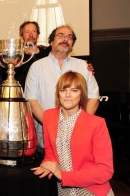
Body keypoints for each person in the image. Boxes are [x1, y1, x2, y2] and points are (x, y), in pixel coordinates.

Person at [32, 71, 115, 196]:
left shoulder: (97, 124)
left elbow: (105, 170)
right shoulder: (49, 116)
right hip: (64, 193)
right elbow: (50, 151)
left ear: (82, 94)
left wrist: (63, 175)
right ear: (58, 93)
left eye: (74, 90)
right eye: (63, 89)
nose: (68, 95)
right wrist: (49, 164)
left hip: (94, 194)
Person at [24, 25, 100, 157]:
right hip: (45, 139)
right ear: (51, 41)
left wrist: (80, 123)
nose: (65, 39)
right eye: (60, 35)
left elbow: (94, 97)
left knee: (76, 177)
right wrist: (51, 125)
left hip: (78, 139)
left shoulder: (83, 66)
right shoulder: (36, 67)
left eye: (69, 37)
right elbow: (31, 100)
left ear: (72, 44)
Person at [15, 21, 50, 89]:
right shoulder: (18, 57)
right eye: (27, 32)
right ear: (21, 37)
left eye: (34, 31)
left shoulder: (47, 54)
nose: (31, 35)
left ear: (38, 35)